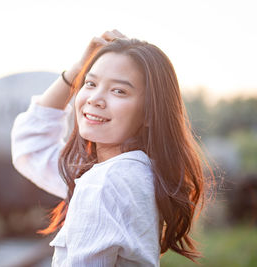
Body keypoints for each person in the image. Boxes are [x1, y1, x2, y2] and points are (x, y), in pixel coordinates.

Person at [11, 29, 213, 266]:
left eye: (119, 90)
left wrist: (78, 72)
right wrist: (76, 70)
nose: (95, 98)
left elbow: (30, 146)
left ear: (150, 112)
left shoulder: (107, 182)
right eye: (90, 82)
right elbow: (30, 147)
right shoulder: (131, 173)